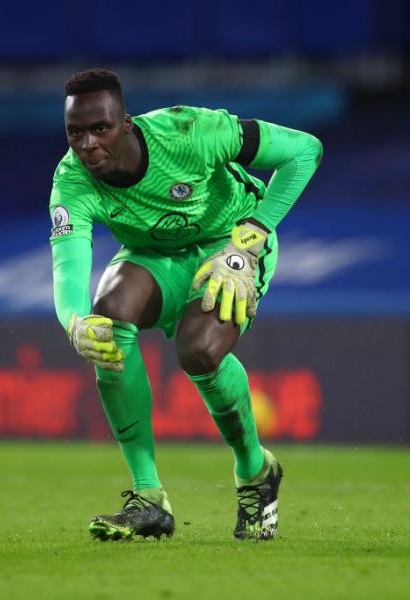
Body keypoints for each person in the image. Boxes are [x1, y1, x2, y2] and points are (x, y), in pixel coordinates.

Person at [49, 68, 322, 541]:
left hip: (230, 246)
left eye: (100, 128)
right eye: (76, 133)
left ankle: (256, 471)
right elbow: (68, 270)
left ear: (126, 123)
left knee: (199, 351)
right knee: (106, 321)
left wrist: (250, 240)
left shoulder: (191, 131)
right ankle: (148, 498)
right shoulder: (71, 181)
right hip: (156, 257)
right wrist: (74, 323)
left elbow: (304, 151)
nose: (87, 144)